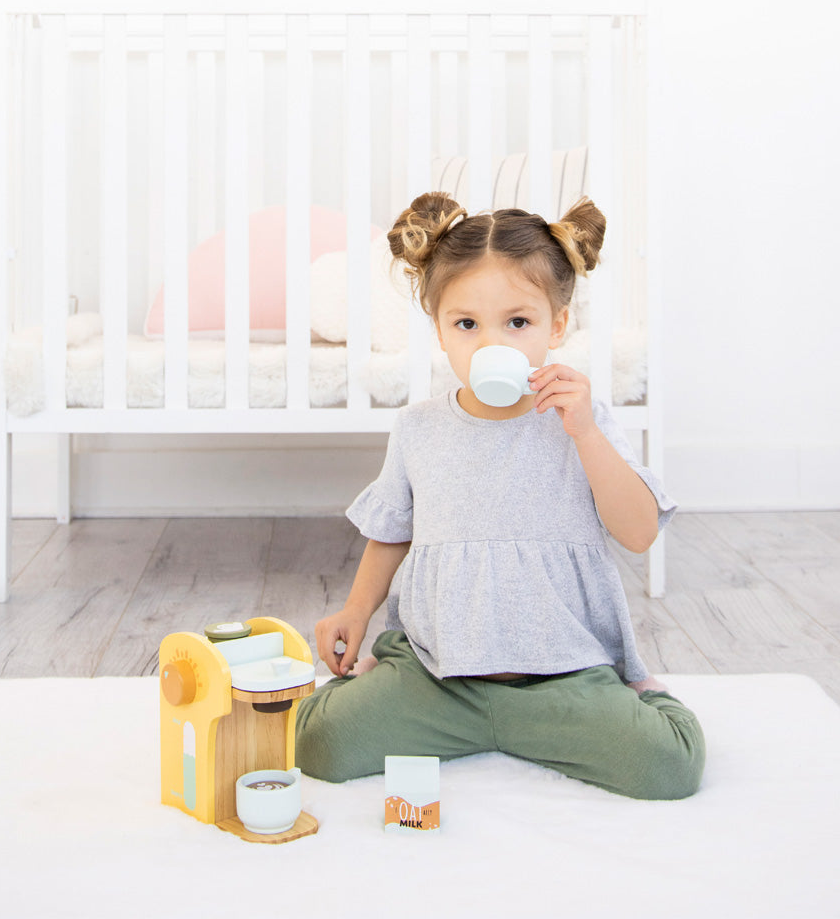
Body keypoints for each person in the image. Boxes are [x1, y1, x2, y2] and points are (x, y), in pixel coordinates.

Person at [294, 192, 705, 800]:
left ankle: (634, 694)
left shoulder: (584, 421)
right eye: (467, 324)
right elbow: (393, 531)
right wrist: (356, 611)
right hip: (439, 674)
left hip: (560, 673)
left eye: (518, 322)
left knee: (666, 767)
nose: (493, 344)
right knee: (318, 745)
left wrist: (585, 433)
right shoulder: (418, 429)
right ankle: (391, 682)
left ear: (557, 325)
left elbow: (640, 532)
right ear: (439, 330)